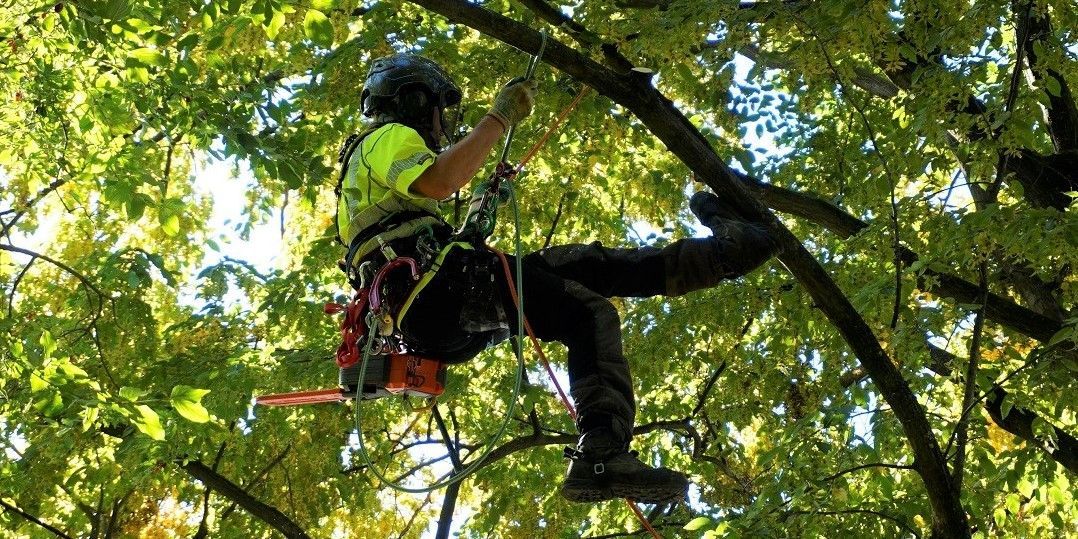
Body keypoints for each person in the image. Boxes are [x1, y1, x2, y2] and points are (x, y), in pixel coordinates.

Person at [335, 54, 779, 504]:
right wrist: (498, 118)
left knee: (587, 267)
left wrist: (478, 213)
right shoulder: (388, 137)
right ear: (412, 99)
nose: (443, 122)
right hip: (437, 292)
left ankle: (724, 254)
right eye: (438, 107)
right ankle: (602, 453)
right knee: (587, 314)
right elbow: (440, 179)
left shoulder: (373, 179)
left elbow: (422, 219)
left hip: (440, 297)